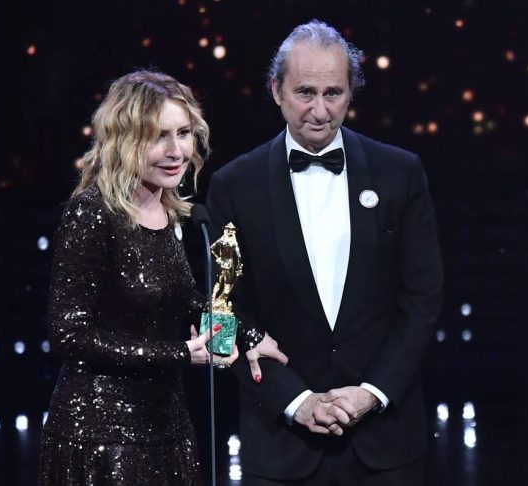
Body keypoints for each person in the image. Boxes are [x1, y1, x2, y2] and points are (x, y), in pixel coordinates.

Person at [206, 20, 443, 485]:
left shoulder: (400, 173)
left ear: (351, 91)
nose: (319, 110)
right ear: (276, 90)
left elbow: (423, 299)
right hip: (280, 444)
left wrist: (373, 392)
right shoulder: (234, 185)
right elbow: (220, 310)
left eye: (333, 93)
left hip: (386, 444)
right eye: (305, 93)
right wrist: (296, 401)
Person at [38, 70, 243, 485]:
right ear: (125, 141)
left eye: (183, 133)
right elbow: (69, 334)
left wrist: (247, 335)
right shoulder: (91, 213)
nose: (176, 151)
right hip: (101, 439)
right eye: (158, 136)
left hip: (167, 428)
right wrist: (180, 353)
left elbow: (182, 299)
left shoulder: (168, 209)